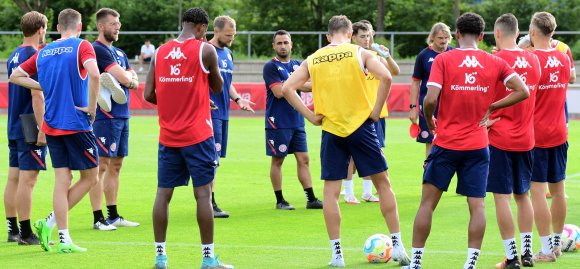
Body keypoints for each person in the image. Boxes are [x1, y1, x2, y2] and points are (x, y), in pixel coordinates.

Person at [282, 15, 411, 267]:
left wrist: (310, 116)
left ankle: (337, 255)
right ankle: (397, 246)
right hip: (361, 127)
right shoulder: (358, 53)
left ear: (329, 36)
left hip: (331, 130)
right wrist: (375, 112)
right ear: (351, 33)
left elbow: (288, 87)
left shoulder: (314, 58)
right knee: (383, 184)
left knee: (330, 193)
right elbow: (387, 77)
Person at [406, 12, 529, 269]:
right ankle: (470, 264)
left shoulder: (443, 59)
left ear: (457, 34)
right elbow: (522, 91)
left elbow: (429, 99)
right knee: (477, 206)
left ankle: (416, 264)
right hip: (477, 146)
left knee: (427, 203)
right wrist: (493, 106)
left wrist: (430, 119)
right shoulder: (493, 61)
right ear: (482, 36)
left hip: (446, 144)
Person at [144, 7, 233, 269]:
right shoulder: (205, 50)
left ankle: (160, 257)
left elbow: (149, 94)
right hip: (198, 134)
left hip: (168, 136)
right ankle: (208, 259)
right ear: (203, 28)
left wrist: (175, 101)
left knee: (163, 194)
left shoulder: (159, 52)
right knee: (203, 195)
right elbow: (218, 86)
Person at [10, 8, 101, 253]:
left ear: (58, 27)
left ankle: (63, 238)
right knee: (91, 177)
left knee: (62, 180)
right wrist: (92, 108)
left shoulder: (43, 51)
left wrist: (43, 84)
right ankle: (50, 225)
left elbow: (15, 75)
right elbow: (94, 74)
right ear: (80, 26)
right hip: (76, 123)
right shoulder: (82, 46)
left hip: (51, 125)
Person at [488, 13, 541, 269]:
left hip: (500, 137)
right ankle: (527, 254)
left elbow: (484, 98)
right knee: (524, 196)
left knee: (502, 198)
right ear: (518, 32)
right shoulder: (533, 59)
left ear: (497, 33)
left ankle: (511, 257)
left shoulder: (494, 59)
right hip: (527, 137)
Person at [88, 8, 140, 231]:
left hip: (122, 114)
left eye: (118, 23)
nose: (117, 27)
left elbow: (132, 76)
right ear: (101, 26)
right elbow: (124, 78)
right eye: (113, 24)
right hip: (106, 116)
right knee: (101, 166)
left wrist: (130, 80)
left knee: (116, 165)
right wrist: (129, 80)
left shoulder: (119, 52)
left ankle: (113, 215)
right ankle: (98, 218)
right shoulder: (97, 49)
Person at [527, 11, 571, 263]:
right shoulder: (564, 58)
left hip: (537, 134)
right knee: (558, 191)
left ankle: (545, 249)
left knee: (537, 192)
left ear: (533, 32)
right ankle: (555, 243)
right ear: (553, 32)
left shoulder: (531, 59)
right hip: (559, 131)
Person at [262, 30, 323, 210]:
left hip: (297, 121)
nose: (283, 46)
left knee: (304, 159)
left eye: (285, 42)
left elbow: (310, 86)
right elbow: (279, 92)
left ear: (291, 44)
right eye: (279, 43)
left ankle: (311, 199)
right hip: (277, 121)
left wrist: (295, 83)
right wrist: (298, 85)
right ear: (274, 46)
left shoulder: (298, 65)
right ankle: (280, 200)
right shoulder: (271, 67)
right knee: (278, 160)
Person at [341, 21, 400, 204]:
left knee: (374, 152)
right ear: (353, 37)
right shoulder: (349, 57)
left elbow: (395, 72)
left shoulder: (375, 56)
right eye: (362, 36)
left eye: (368, 36)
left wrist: (387, 56)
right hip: (357, 112)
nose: (366, 40)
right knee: (351, 154)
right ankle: (348, 191)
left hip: (377, 112)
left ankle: (367, 192)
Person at [4, 11, 47, 245]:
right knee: (28, 180)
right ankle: (26, 233)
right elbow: (36, 94)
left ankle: (12, 230)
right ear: (40, 29)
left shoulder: (14, 54)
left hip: (13, 123)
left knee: (13, 178)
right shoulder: (34, 55)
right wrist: (42, 127)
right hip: (29, 124)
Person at [208, 16, 254, 218]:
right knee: (211, 159)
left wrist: (237, 99)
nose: (231, 38)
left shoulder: (228, 53)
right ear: (216, 31)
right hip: (210, 113)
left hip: (224, 114)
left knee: (216, 160)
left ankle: (208, 200)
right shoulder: (205, 51)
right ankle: (208, 202)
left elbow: (227, 82)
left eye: (233, 35)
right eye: (228, 35)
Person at [409, 22, 453, 158]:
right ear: (432, 37)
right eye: (440, 38)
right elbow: (416, 82)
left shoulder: (453, 53)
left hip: (450, 105)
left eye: (446, 38)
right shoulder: (423, 55)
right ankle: (428, 173)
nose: (444, 41)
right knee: (430, 141)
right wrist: (413, 108)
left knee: (451, 141)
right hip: (429, 105)